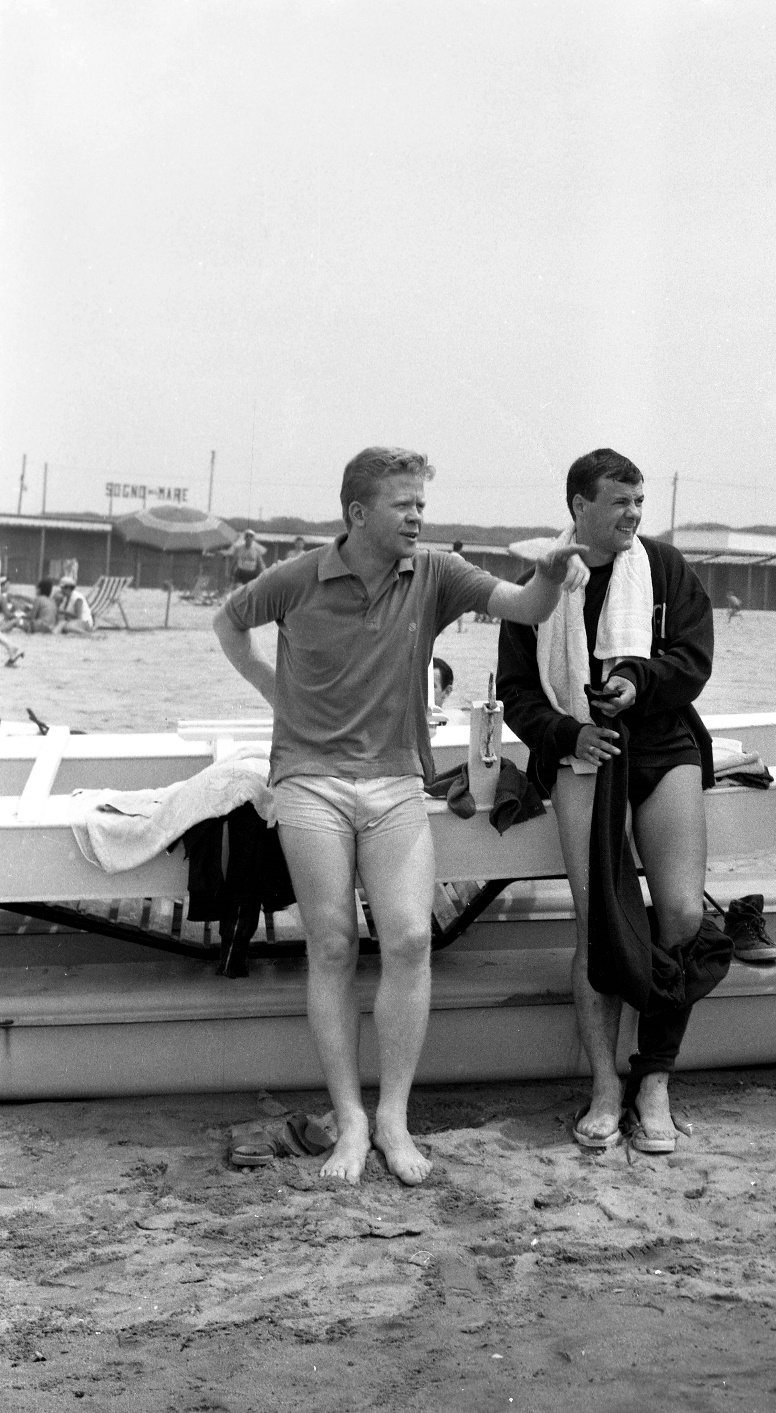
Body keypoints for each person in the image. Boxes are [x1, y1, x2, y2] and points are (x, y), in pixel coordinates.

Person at [214, 446, 585, 1186]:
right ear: (358, 513)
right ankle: (349, 1118)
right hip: (310, 781)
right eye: (403, 504)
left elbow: (524, 607)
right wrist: (274, 692)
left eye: (422, 503)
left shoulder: (437, 573)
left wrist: (548, 574)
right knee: (332, 945)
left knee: (411, 939)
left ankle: (393, 1117)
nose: (418, 515)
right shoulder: (297, 576)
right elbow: (229, 622)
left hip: (395, 782)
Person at [497, 448, 718, 1155]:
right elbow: (516, 693)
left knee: (682, 912)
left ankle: (654, 1076)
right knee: (599, 923)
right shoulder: (537, 584)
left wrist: (636, 682)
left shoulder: (665, 569)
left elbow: (694, 660)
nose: (634, 514)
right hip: (583, 752)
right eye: (620, 502)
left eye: (639, 501)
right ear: (580, 506)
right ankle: (604, 1086)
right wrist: (571, 732)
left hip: (662, 744)